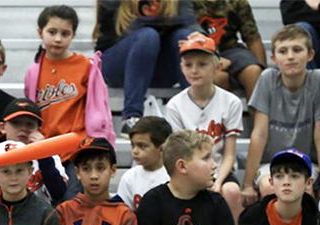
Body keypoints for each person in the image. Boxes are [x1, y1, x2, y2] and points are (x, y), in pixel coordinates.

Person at [242, 25, 320, 206]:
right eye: (283, 51)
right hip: (270, 164)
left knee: (304, 189)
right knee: (271, 188)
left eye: (297, 50)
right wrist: (247, 184)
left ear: (310, 55)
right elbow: (259, 134)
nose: (290, 56)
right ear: (274, 58)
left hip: (306, 164)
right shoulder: (268, 79)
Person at [166, 33, 243, 225]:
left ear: (217, 67)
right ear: (181, 67)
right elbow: (179, 155)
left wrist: (217, 182)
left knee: (232, 191)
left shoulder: (231, 102)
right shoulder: (175, 105)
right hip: (188, 172)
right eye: (188, 64)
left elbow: (229, 154)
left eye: (202, 64)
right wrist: (200, 180)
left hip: (220, 170)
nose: (194, 70)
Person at [94, 0, 200, 136]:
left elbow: (190, 21)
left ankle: (196, 112)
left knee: (184, 37)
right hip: (119, 63)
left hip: (158, 66)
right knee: (147, 36)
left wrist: (197, 35)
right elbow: (114, 29)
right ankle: (131, 117)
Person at [25, 5, 115, 144]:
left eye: (65, 34)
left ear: (73, 35)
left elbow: (101, 108)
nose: (58, 39)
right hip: (44, 147)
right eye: (52, 32)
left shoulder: (87, 67)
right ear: (40, 32)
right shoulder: (33, 71)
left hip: (77, 148)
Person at [0, 98, 69, 204]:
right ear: (2, 127)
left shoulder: (50, 157)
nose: (23, 128)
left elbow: (58, 195)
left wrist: (44, 155)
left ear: (39, 130)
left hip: (39, 218)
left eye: (29, 124)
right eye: (16, 123)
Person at [193, 0, 266, 99]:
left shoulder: (238, 2)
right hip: (198, 51)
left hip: (230, 49)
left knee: (253, 71)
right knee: (218, 78)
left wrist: (263, 72)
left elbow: (252, 38)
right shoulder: (187, 3)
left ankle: (258, 114)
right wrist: (214, 58)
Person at [116, 116, 172, 211]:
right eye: (133, 145)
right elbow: (124, 214)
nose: (135, 151)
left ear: (162, 148)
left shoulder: (173, 176)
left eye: (142, 146)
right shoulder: (129, 178)